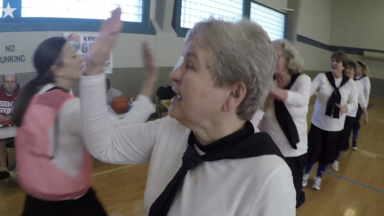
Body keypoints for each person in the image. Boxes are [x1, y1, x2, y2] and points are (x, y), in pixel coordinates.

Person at [80, 8, 295, 216]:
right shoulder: (172, 129)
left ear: (233, 94)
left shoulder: (269, 178)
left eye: (190, 65)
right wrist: (93, 70)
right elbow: (104, 145)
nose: (174, 74)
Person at [12, 35, 158, 215]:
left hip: (35, 204)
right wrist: (150, 80)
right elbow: (123, 128)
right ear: (57, 69)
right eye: (73, 56)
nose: (80, 58)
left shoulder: (32, 98)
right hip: (68, 206)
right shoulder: (68, 107)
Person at [251, 39, 310, 208]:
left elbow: (302, 99)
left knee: (290, 197)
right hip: (269, 150)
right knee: (268, 197)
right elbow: (257, 112)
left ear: (288, 59)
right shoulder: (268, 81)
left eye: (274, 55)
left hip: (294, 151)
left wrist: (275, 91)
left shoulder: (301, 80)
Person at [303, 51, 357, 190]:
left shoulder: (350, 83)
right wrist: (302, 93)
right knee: (312, 151)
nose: (333, 63)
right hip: (318, 123)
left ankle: (318, 177)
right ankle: (306, 173)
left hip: (335, 127)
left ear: (343, 66)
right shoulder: (322, 77)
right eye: (332, 60)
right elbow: (310, 89)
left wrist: (346, 108)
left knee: (327, 154)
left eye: (337, 61)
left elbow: (354, 103)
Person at [331, 60, 368, 171]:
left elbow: (362, 102)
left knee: (343, 138)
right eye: (347, 69)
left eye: (351, 69)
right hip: (338, 115)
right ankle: (329, 155)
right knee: (333, 136)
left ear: (354, 72)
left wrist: (366, 115)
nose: (348, 71)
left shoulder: (358, 85)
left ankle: (335, 160)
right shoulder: (340, 82)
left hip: (349, 116)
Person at [0, 72, 20, 181]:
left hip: (16, 125)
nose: (10, 84)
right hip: (2, 126)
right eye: (7, 82)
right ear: (3, 83)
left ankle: (18, 168)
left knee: (20, 140)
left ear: (16, 83)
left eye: (12, 82)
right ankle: (3, 169)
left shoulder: (21, 94)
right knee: (0, 141)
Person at [352, 60, 371, 149]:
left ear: (361, 68)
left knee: (355, 123)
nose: (355, 68)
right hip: (351, 104)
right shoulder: (353, 77)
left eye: (357, 66)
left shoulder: (365, 79)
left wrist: (364, 109)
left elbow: (366, 95)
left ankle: (354, 140)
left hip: (359, 105)